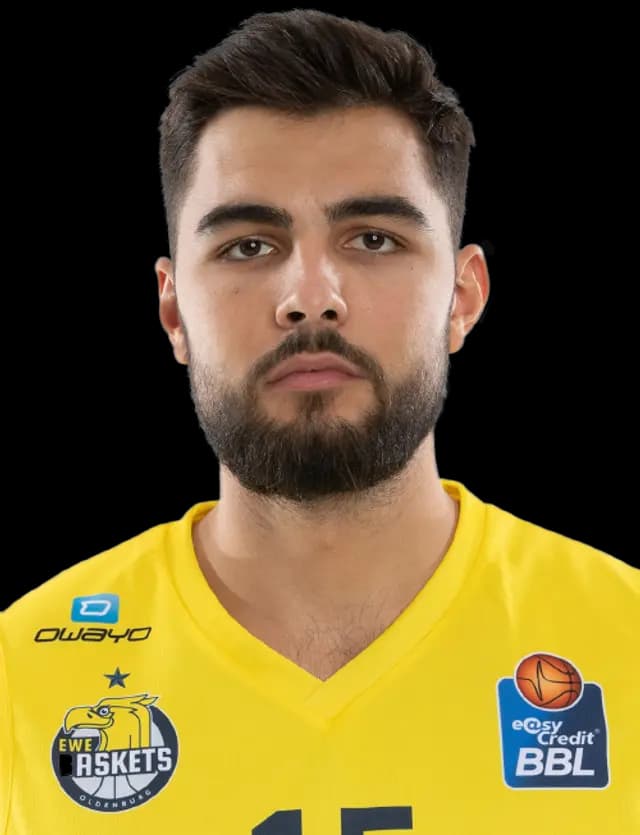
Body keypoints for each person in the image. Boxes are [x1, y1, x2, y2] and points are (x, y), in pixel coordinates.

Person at [1, 8, 638, 834]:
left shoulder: (626, 640)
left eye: (373, 238)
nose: (310, 296)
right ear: (173, 311)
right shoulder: (19, 676)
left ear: (463, 297)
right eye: (248, 245)